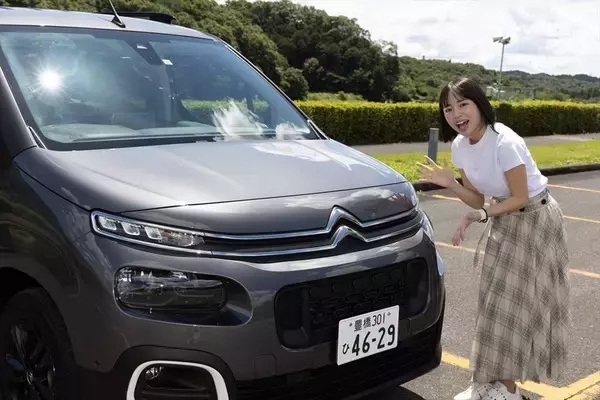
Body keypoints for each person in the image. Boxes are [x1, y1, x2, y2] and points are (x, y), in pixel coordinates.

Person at [417, 77, 571, 400]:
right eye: (448, 109)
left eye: (463, 104)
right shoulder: (460, 147)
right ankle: (488, 383)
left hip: (535, 220)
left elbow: (520, 197)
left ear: (479, 104)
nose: (456, 114)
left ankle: (509, 390)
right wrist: (451, 183)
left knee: (516, 306)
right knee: (493, 304)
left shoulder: (505, 142)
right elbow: (476, 197)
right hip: (504, 219)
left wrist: (482, 215)